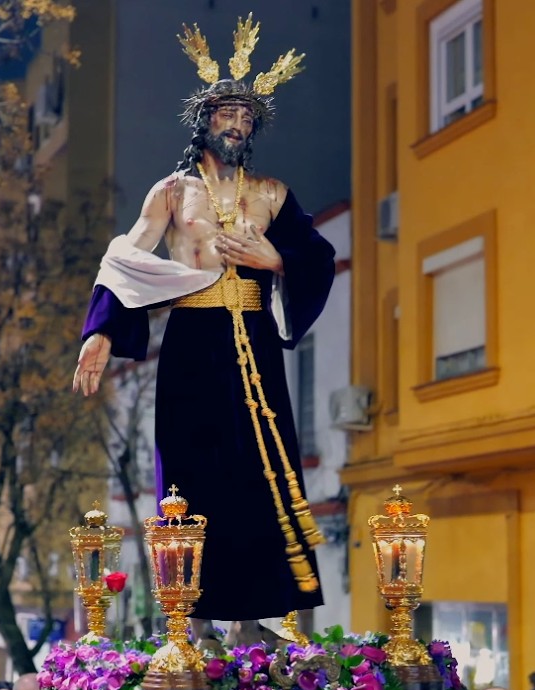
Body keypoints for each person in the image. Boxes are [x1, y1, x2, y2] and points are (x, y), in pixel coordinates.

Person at [73, 13, 335, 648]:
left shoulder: (273, 194)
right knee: (189, 478)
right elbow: (128, 257)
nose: (238, 125)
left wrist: (275, 261)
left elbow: (316, 256)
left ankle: (261, 613)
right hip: (192, 343)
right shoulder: (173, 192)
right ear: (205, 120)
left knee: (259, 472)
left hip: (254, 341)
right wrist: (101, 331)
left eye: (247, 118)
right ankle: (190, 620)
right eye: (227, 115)